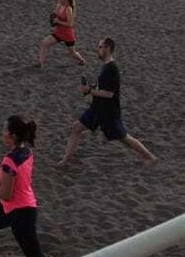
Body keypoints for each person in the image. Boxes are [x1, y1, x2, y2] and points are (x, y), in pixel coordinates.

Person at [0, 115, 58, 257]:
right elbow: (14, 177)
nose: (2, 133)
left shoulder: (10, 161)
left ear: (12, 136)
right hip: (16, 206)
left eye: (5, 130)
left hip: (21, 212)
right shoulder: (27, 152)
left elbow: (5, 194)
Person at [57, 37, 158, 166]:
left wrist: (89, 90)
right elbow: (103, 88)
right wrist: (92, 88)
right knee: (76, 128)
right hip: (97, 108)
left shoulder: (112, 69)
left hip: (108, 112)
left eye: (100, 47)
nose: (97, 50)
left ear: (108, 48)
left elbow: (109, 94)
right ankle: (65, 160)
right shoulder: (106, 67)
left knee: (124, 137)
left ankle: (150, 157)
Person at [37, 0, 85, 67]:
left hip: (68, 35)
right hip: (58, 33)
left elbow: (70, 24)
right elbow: (54, 15)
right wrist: (52, 18)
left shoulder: (68, 9)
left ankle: (81, 60)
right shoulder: (59, 6)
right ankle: (40, 63)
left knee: (72, 53)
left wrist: (58, 21)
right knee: (44, 43)